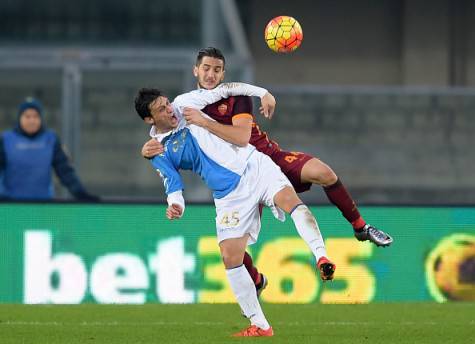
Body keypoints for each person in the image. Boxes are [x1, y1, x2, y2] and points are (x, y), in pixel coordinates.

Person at [141, 47, 393, 293]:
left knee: (324, 173)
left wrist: (263, 93)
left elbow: (241, 136)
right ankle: (257, 280)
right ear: (195, 71)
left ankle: (361, 227)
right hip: (235, 179)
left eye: (217, 70)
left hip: (265, 160)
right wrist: (149, 145)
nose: (211, 75)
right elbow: (165, 130)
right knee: (233, 248)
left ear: (223, 74)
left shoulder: (235, 100)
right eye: (206, 69)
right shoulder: (184, 106)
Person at [134, 83, 336, 337]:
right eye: (161, 110)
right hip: (229, 195)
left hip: (254, 165)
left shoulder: (185, 103)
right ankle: (260, 325)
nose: (169, 110)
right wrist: (175, 205)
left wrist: (263, 93)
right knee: (230, 257)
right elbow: (172, 184)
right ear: (149, 119)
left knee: (290, 201)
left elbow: (226, 89)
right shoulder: (157, 151)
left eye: (167, 103)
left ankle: (321, 256)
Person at [0, 98, 98, 201]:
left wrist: (80, 193)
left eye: (36, 116)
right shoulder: (6, 139)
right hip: (11, 206)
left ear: (41, 119)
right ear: (20, 118)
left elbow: (65, 171)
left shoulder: (51, 139)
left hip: (44, 206)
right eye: (27, 116)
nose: (31, 120)